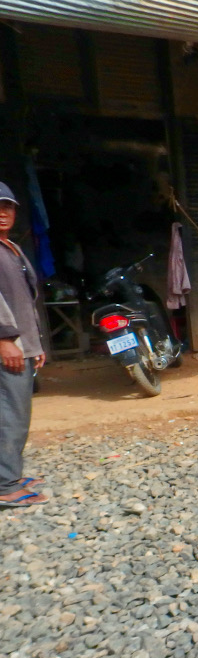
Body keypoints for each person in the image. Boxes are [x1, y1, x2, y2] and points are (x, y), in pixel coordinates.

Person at [0, 181, 47, 508]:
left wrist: (35, 343)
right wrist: (4, 340)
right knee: (10, 415)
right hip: (7, 346)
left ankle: (10, 474)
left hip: (21, 344)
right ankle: (6, 485)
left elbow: (26, 300)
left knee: (15, 412)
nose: (3, 213)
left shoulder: (11, 248)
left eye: (8, 207)